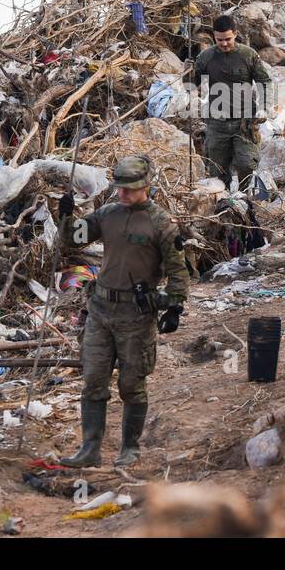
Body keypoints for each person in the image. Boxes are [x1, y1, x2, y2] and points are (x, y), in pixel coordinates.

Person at [56, 155, 188, 468]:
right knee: (93, 380)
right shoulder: (108, 214)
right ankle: (90, 449)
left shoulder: (161, 224)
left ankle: (129, 448)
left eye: (129, 189)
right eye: (119, 188)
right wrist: (66, 217)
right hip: (101, 309)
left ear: (146, 187)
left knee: (131, 384)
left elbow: (178, 270)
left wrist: (175, 306)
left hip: (136, 315)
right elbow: (74, 239)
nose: (123, 194)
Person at [187, 14, 273, 192]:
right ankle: (223, 201)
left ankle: (243, 195)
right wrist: (187, 71)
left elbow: (265, 82)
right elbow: (190, 84)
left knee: (247, 163)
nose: (224, 43)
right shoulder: (206, 57)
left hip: (245, 122)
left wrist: (264, 107)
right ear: (213, 36)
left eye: (228, 39)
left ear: (235, 33)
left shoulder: (248, 55)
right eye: (219, 40)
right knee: (217, 170)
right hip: (217, 122)